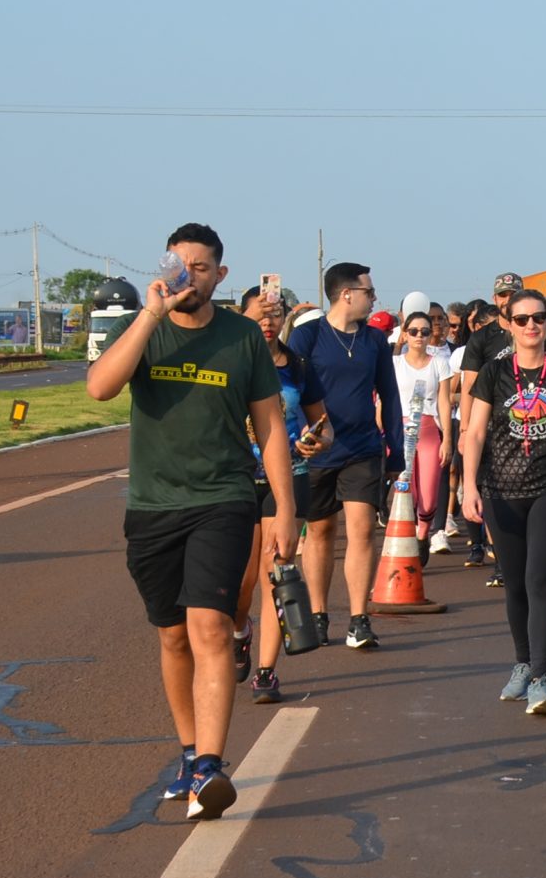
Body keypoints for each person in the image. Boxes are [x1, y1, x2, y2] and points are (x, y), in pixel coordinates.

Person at [85, 222, 298, 820]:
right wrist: (150, 316)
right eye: (179, 264)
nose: (188, 275)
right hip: (153, 506)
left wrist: (284, 508)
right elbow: (100, 388)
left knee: (208, 628)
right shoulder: (144, 328)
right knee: (172, 634)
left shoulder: (241, 338)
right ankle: (187, 753)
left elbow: (271, 427)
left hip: (224, 499)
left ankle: (208, 765)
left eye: (200, 267)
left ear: (220, 275)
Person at [458, 288, 546, 715]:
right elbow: (475, 433)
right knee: (515, 583)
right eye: (522, 319)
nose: (532, 326)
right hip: (501, 491)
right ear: (508, 324)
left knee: (540, 581)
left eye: (540, 318)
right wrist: (469, 488)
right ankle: (522, 664)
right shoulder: (493, 375)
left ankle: (541, 678)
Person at [288, 262, 406, 650]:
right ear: (346, 294)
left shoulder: (374, 341)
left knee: (361, 528)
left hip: (363, 448)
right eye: (369, 292)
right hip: (318, 450)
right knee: (320, 531)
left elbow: (389, 396)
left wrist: (395, 454)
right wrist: (297, 436)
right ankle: (319, 615)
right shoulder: (308, 337)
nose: (374, 299)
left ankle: (359, 618)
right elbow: (290, 389)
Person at [244, 289, 326, 705]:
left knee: (273, 570)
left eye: (276, 314)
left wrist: (318, 440)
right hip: (235, 480)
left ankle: (265, 670)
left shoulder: (297, 366)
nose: (268, 321)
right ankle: (241, 631)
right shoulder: (231, 362)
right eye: (261, 313)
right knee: (239, 578)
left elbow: (322, 424)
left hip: (287, 478)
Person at [457, 278, 524, 573]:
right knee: (489, 489)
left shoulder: (532, 328)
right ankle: (495, 555)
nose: (507, 299)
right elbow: (469, 384)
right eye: (502, 295)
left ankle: (513, 556)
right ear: (495, 299)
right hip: (489, 424)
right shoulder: (483, 338)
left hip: (526, 424)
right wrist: (464, 430)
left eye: (513, 294)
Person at [393, 310, 456, 549]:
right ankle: (410, 539)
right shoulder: (395, 363)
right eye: (413, 331)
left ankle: (423, 535)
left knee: (428, 500)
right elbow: (386, 400)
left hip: (430, 431)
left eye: (425, 331)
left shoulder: (439, 364)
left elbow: (444, 402)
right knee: (409, 492)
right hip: (402, 431)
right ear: (405, 334)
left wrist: (447, 439)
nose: (419, 336)